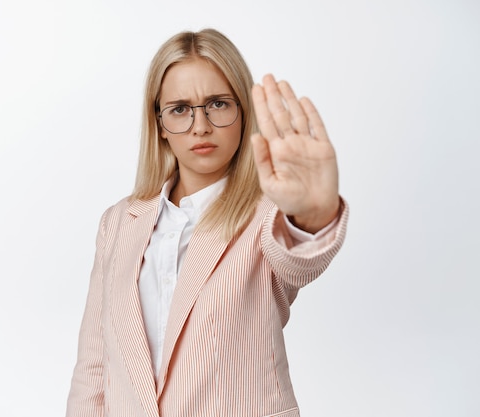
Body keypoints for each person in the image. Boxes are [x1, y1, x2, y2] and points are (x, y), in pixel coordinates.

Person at [66, 28, 348, 417]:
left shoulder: (269, 215)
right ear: (160, 124)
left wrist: (312, 215)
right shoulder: (118, 222)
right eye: (180, 108)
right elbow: (94, 368)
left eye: (217, 103)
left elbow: (299, 259)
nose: (200, 126)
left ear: (243, 111)